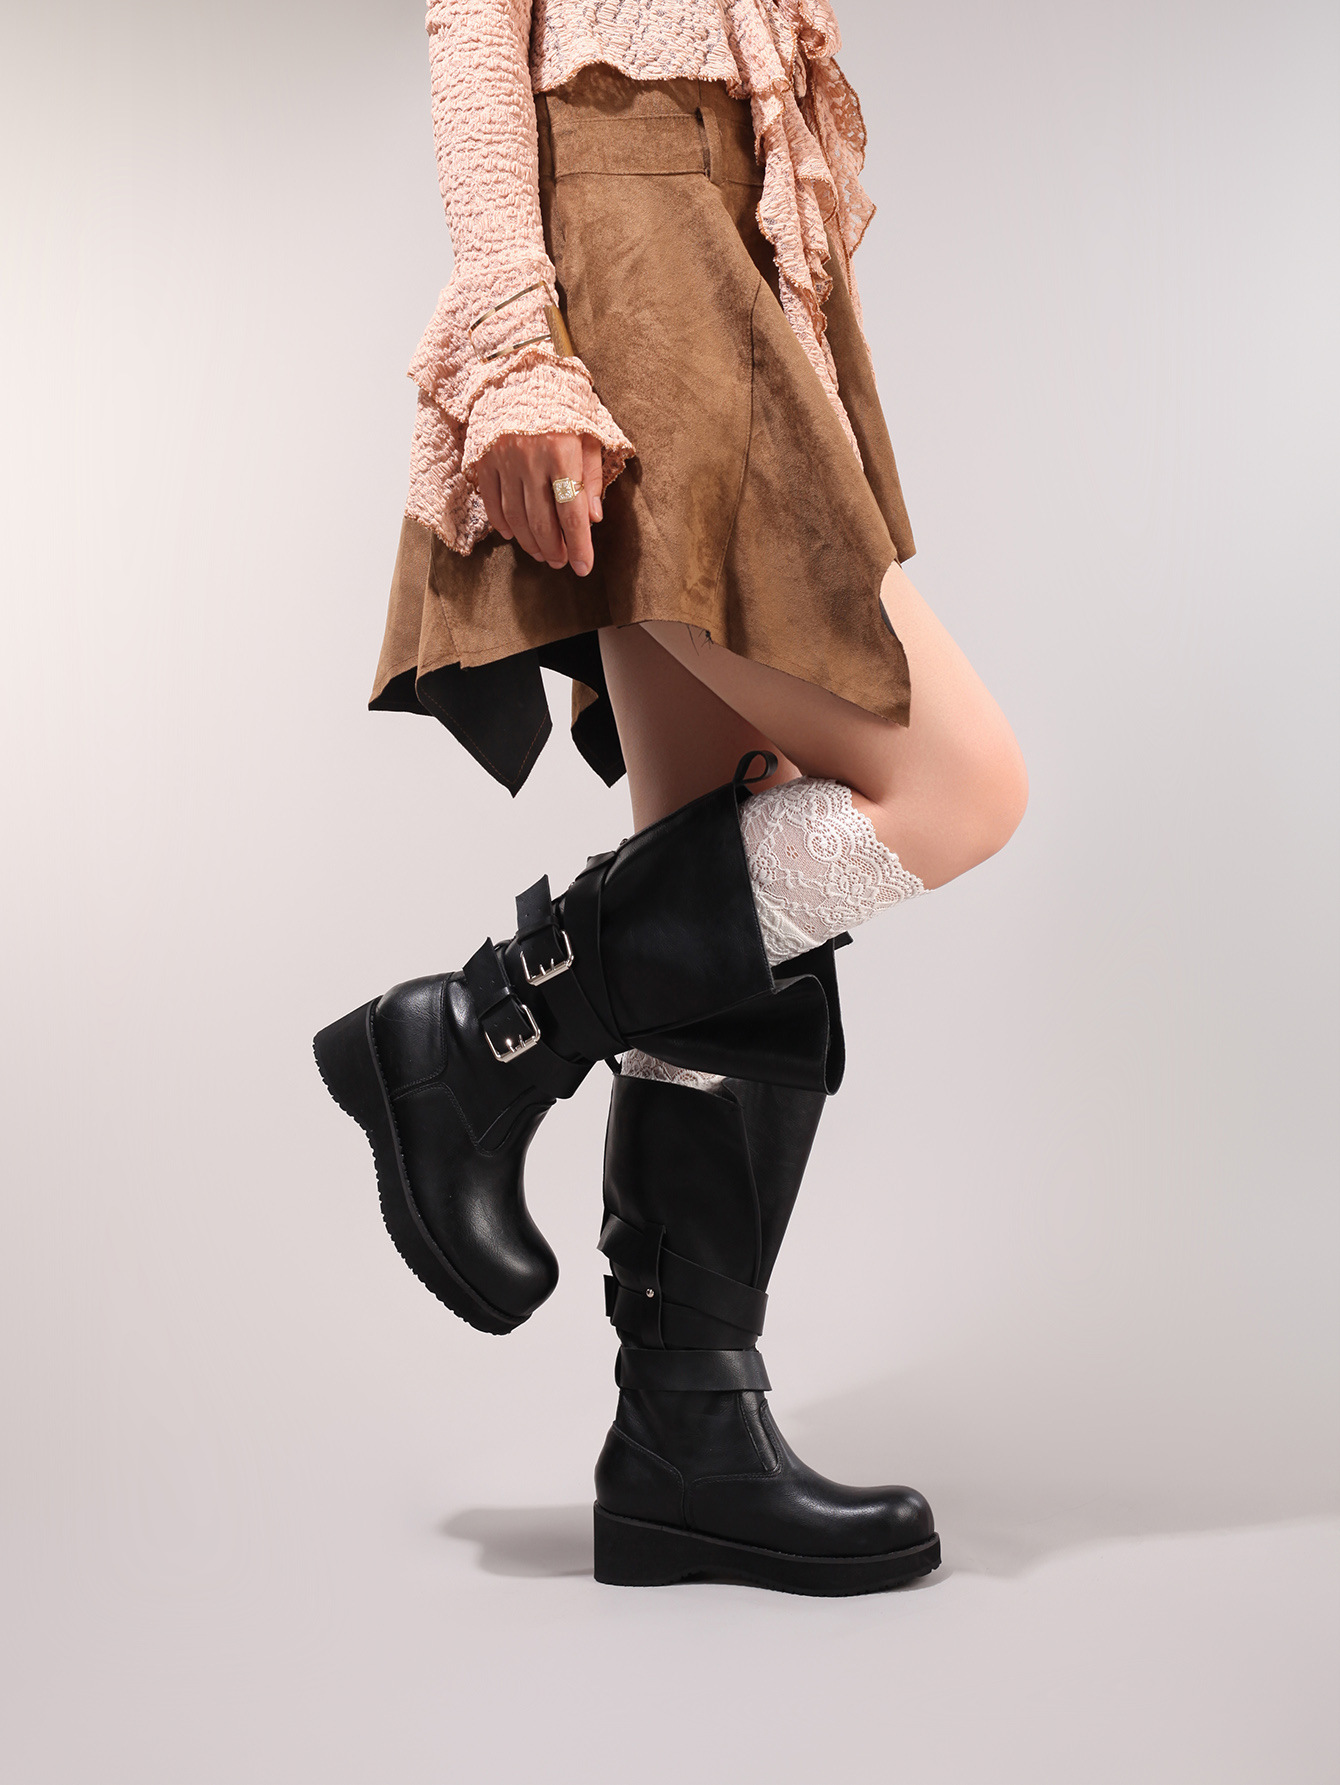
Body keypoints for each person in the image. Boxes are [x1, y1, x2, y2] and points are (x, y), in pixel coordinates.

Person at [315, 0, 1027, 1596]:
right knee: (959, 785)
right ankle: (473, 1035)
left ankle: (683, 1432)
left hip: (724, 236)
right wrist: (515, 345)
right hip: (637, 243)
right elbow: (474, 26)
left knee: (726, 858)